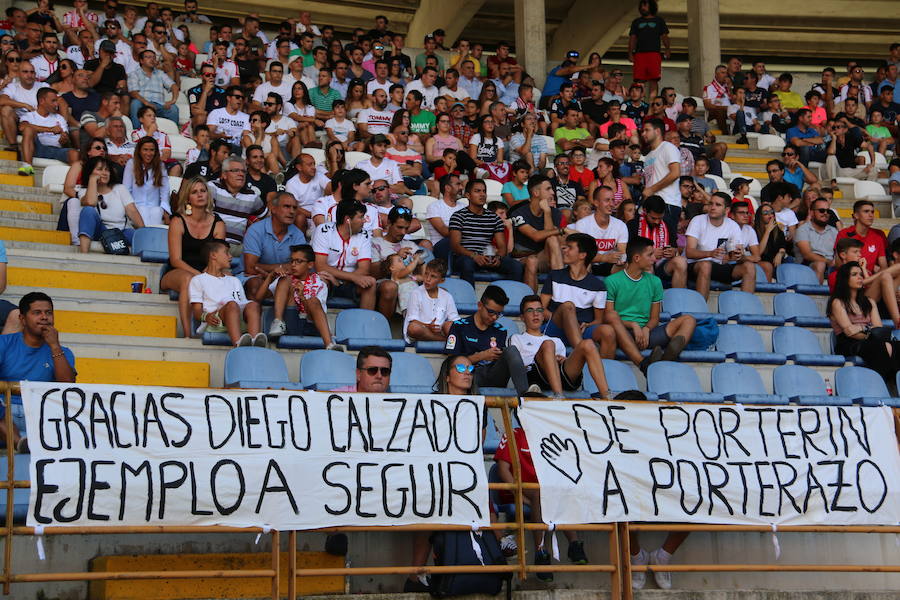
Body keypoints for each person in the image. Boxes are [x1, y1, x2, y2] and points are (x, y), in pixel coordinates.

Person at [599, 236, 696, 373]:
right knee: (612, 316)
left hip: (647, 335)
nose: (654, 259)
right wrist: (633, 325)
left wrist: (646, 329)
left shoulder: (655, 281)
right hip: (622, 333)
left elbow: (654, 319)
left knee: (689, 320)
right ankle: (644, 364)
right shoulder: (612, 281)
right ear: (637, 258)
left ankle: (665, 359)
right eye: (650, 255)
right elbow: (607, 316)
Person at [0, 292, 76, 440]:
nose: (44, 317)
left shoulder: (63, 352)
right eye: (37, 313)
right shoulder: (4, 343)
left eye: (48, 313)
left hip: (41, 413)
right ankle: (18, 442)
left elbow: (67, 386)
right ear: (22, 319)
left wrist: (54, 346)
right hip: (5, 410)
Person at [160, 176, 226, 337]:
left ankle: (218, 329)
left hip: (207, 270)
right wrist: (201, 277)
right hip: (178, 271)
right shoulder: (178, 220)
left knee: (229, 279)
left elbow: (219, 257)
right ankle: (188, 335)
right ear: (187, 197)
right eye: (194, 192)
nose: (200, 195)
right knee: (189, 280)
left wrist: (208, 275)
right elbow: (176, 259)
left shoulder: (218, 223)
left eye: (203, 191)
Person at [445, 285, 530, 395]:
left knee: (511, 350)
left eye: (499, 313)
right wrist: (481, 356)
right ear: (480, 305)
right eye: (491, 312)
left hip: (493, 375)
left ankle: (526, 396)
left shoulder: (501, 330)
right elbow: (450, 363)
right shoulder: (459, 326)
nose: (494, 317)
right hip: (468, 374)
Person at [827, 262, 899, 382]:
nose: (860, 277)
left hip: (870, 339)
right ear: (845, 279)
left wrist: (861, 328)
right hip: (848, 343)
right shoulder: (837, 302)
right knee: (880, 346)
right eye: (854, 274)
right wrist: (868, 329)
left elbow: (878, 328)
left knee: (896, 345)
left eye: (861, 274)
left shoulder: (869, 302)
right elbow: (849, 332)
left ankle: (894, 381)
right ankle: (884, 382)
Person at [190, 239, 265, 347]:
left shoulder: (234, 280)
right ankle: (238, 345)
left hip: (238, 319)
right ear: (213, 255)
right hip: (215, 322)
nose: (230, 257)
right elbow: (196, 311)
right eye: (226, 253)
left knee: (253, 305)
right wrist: (206, 317)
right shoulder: (198, 280)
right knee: (231, 305)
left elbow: (243, 303)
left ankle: (255, 343)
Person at [449, 179, 524, 285]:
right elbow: (455, 246)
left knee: (516, 266)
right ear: (468, 195)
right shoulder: (458, 216)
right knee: (466, 263)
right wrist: (474, 256)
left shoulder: (494, 218)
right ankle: (469, 299)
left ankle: (510, 297)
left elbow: (502, 246)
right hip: (467, 257)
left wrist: (498, 257)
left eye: (484, 191)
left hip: (488, 257)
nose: (482, 194)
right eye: (477, 191)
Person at [267, 243, 341, 350]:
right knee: (286, 280)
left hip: (311, 325)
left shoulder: (320, 283)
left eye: (298, 261)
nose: (293, 264)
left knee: (314, 300)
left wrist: (302, 297)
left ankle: (329, 344)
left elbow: (312, 316)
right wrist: (270, 276)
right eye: (292, 261)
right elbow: (260, 297)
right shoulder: (284, 279)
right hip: (290, 324)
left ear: (310, 265)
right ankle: (278, 322)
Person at [686, 192, 755, 299]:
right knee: (706, 265)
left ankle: (745, 308)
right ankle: (700, 308)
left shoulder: (733, 225)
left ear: (727, 210)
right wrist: (710, 253)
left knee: (749, 267)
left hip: (718, 266)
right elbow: (689, 252)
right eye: (711, 204)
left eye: (718, 205)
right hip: (695, 265)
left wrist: (739, 256)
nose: (712, 207)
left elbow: (734, 254)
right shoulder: (697, 220)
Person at [312, 199, 376, 311]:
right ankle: (313, 324)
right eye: (360, 217)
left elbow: (364, 269)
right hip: (328, 279)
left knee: (371, 283)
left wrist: (344, 281)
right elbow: (320, 266)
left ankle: (364, 325)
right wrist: (349, 278)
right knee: (320, 281)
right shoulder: (324, 230)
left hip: (350, 282)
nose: (364, 221)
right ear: (348, 220)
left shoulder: (364, 234)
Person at [241, 191, 307, 299]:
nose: (291, 211)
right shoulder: (256, 230)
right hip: (256, 277)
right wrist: (281, 268)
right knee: (254, 287)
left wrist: (270, 272)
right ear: (274, 209)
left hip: (283, 278)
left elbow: (301, 267)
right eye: (286, 206)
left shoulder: (298, 234)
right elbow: (251, 268)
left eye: (295, 208)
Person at [76, 156, 145, 253]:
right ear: (90, 172)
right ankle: (83, 254)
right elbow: (90, 202)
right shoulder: (83, 191)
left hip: (121, 231)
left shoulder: (120, 188)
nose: (104, 173)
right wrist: (92, 180)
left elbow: (132, 211)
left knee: (139, 237)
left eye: (107, 170)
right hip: (101, 232)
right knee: (88, 210)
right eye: (99, 169)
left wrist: (144, 232)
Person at [509, 174, 564, 290]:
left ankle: (560, 290)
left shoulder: (555, 213)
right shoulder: (518, 213)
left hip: (545, 256)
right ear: (536, 193)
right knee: (532, 260)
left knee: (553, 238)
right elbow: (536, 236)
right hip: (522, 258)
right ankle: (530, 302)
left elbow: (549, 236)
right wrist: (561, 230)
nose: (553, 193)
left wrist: (547, 212)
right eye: (548, 189)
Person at [627, 194, 687, 288]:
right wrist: (650, 254)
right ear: (645, 211)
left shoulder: (668, 223)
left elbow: (675, 247)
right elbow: (629, 251)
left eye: (660, 218)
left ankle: (678, 299)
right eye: (653, 218)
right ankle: (649, 301)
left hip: (662, 264)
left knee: (681, 262)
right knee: (648, 266)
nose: (657, 222)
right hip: (641, 265)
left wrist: (673, 251)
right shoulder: (633, 224)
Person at [573, 185, 628, 276]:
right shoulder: (583, 224)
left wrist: (621, 258)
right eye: (607, 200)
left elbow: (622, 251)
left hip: (610, 265)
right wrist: (604, 258)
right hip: (588, 264)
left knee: (626, 265)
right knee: (583, 263)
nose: (611, 204)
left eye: (613, 200)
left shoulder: (620, 225)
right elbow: (582, 254)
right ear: (596, 203)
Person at [640, 118, 680, 238]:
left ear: (657, 131)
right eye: (643, 131)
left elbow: (675, 173)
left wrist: (652, 189)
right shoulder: (648, 156)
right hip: (652, 204)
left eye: (647, 130)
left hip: (667, 202)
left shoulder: (668, 147)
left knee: (667, 243)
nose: (643, 134)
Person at [403, 258, 459, 343]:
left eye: (433, 276)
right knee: (413, 327)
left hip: (439, 331)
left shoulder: (447, 296)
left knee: (451, 326)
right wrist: (428, 326)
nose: (427, 279)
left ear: (442, 280)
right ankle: (442, 340)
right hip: (421, 329)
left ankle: (440, 338)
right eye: (426, 274)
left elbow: (454, 319)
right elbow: (412, 319)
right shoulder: (416, 293)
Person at [18, 87, 76, 169]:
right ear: (42, 101)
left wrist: (64, 138)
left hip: (56, 149)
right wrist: (50, 129)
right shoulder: (29, 116)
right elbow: (22, 127)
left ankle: (75, 179)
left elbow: (65, 136)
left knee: (74, 153)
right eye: (53, 101)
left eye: (56, 101)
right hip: (37, 149)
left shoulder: (59, 118)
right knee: (28, 130)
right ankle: (27, 167)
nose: (56, 104)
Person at [628, 0, 669, 100]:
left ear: (651, 6)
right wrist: (630, 53)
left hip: (654, 54)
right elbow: (633, 38)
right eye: (641, 5)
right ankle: (639, 102)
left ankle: (652, 104)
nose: (643, 7)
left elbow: (664, 36)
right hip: (639, 54)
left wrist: (668, 49)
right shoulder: (636, 22)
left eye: (645, 5)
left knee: (654, 80)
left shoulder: (659, 20)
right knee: (639, 80)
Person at [127, 49, 179, 127]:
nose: (152, 59)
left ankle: (173, 136)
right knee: (135, 103)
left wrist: (173, 100)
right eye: (148, 57)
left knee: (173, 108)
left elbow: (174, 86)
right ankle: (136, 133)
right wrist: (146, 103)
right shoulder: (134, 74)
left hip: (159, 105)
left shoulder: (160, 74)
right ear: (141, 61)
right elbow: (133, 92)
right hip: (143, 104)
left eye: (154, 58)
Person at [835, 200, 888, 274]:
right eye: (866, 211)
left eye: (872, 212)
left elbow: (883, 266)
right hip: (849, 277)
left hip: (870, 279)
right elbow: (838, 263)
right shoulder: (844, 234)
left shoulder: (878, 237)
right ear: (856, 215)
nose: (871, 215)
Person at [794, 198, 838, 283]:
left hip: (830, 266)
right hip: (806, 266)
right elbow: (807, 254)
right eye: (821, 210)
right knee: (820, 264)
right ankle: (816, 295)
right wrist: (828, 261)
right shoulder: (802, 230)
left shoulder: (834, 231)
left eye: (828, 211)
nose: (825, 213)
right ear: (812, 212)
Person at [207, 85, 249, 153]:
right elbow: (208, 134)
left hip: (236, 149)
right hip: (218, 146)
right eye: (237, 97)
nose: (240, 100)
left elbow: (246, 136)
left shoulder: (246, 117)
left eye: (242, 98)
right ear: (228, 98)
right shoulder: (216, 113)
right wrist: (220, 135)